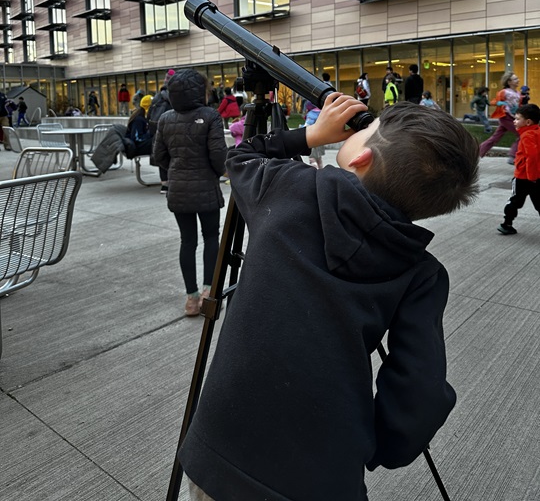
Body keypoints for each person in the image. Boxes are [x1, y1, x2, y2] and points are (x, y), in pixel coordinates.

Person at [179, 95, 479, 501]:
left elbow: (243, 156)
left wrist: (311, 134)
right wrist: (384, 446)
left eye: (367, 129)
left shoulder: (289, 187)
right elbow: (420, 390)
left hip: (220, 452)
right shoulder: (420, 274)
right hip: (323, 477)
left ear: (361, 157)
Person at [153, 69, 227, 316]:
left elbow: (159, 157)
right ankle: (209, 292)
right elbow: (219, 156)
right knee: (211, 238)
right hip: (206, 187)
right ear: (200, 91)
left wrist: (177, 169)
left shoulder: (165, 119)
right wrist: (216, 173)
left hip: (179, 190)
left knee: (188, 241)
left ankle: (191, 299)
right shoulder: (210, 116)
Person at [496, 103, 540, 235]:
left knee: (514, 201)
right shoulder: (536, 132)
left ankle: (506, 224)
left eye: (517, 119)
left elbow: (532, 156)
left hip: (524, 177)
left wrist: (532, 176)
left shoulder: (527, 135)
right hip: (536, 177)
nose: (514, 121)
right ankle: (507, 224)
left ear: (527, 122)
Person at [479, 71, 520, 163]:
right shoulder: (504, 92)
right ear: (509, 82)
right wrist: (499, 103)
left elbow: (519, 105)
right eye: (515, 79)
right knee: (522, 134)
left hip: (513, 117)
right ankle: (512, 156)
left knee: (496, 137)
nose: (518, 80)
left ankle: (477, 151)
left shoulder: (518, 93)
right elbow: (492, 102)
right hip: (505, 117)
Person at [148, 69, 175, 193]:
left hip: (158, 128)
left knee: (162, 154)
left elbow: (150, 114)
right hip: (173, 129)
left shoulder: (158, 96)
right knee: (173, 155)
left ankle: (164, 184)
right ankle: (173, 181)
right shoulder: (176, 95)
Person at [303, 101, 325, 169]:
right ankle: (322, 172)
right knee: (319, 158)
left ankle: (316, 172)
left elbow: (307, 126)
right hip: (321, 139)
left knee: (312, 158)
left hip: (312, 139)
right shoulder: (322, 113)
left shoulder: (311, 114)